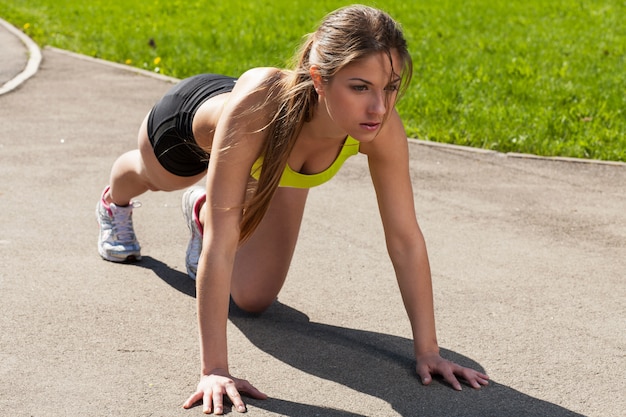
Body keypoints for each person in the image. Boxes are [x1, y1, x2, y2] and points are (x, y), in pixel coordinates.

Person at [96, 4, 489, 414]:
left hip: (271, 159)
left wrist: (427, 351)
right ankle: (114, 202)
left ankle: (204, 208)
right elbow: (221, 242)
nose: (379, 107)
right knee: (154, 177)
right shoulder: (258, 106)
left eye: (389, 87)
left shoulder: (380, 127)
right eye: (360, 87)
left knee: (253, 298)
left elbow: (405, 239)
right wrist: (214, 369)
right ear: (319, 78)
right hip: (188, 131)